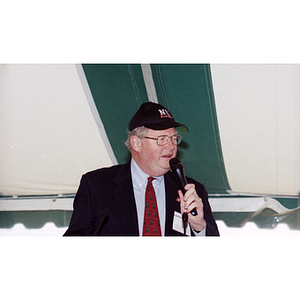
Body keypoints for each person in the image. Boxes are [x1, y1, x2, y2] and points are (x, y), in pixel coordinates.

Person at [64, 102, 219, 236]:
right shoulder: (96, 186)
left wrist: (200, 227)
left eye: (173, 139)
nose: (171, 147)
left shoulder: (193, 191)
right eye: (162, 139)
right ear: (136, 143)